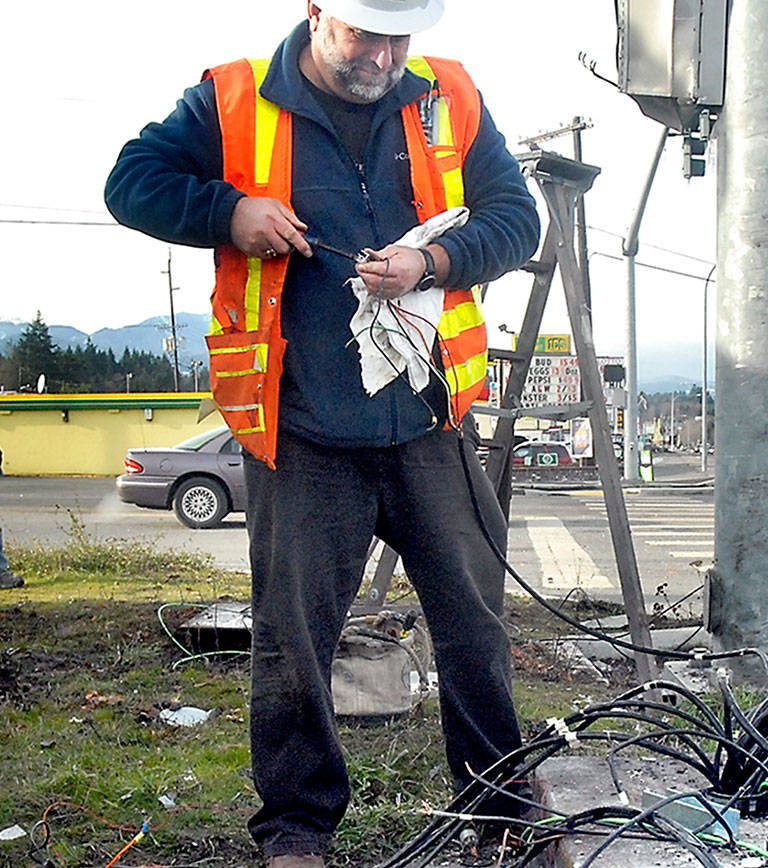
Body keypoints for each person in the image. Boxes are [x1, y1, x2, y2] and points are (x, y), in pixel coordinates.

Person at [105, 2, 540, 865]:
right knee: (294, 638)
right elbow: (131, 183)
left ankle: (497, 805)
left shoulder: (447, 96)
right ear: (315, 13)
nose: (381, 55)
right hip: (302, 430)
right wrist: (228, 212)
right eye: (361, 35)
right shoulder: (229, 101)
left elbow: (515, 220)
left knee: (474, 625)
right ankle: (297, 829)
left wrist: (433, 262)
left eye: (396, 38)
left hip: (427, 423)